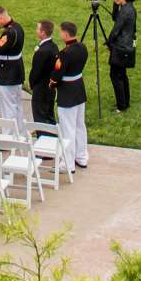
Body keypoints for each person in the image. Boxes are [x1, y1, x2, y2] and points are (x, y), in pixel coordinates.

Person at [55, 20, 91, 172]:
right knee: (79, 125)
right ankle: (81, 156)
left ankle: (68, 163)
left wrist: (51, 84)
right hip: (78, 88)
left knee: (67, 128)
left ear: (65, 33)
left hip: (67, 92)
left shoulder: (65, 53)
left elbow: (57, 74)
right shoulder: (82, 47)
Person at [0, 6, 27, 125]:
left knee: (8, 108)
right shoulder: (18, 27)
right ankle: (19, 133)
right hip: (17, 70)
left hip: (8, 72)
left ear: (1, 17)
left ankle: (9, 136)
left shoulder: (9, 32)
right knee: (17, 105)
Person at [107, 0, 138, 113]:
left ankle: (121, 106)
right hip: (127, 46)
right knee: (122, 75)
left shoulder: (126, 11)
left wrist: (109, 43)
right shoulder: (128, 8)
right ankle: (125, 102)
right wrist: (115, 5)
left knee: (115, 75)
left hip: (121, 47)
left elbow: (116, 29)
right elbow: (115, 18)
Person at [28, 20, 61, 126]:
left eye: (38, 29)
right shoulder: (54, 46)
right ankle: (53, 138)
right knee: (49, 115)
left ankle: (43, 138)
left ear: (43, 33)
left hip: (41, 89)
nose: (36, 31)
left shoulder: (42, 51)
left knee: (40, 117)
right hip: (50, 88)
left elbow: (36, 71)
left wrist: (31, 83)